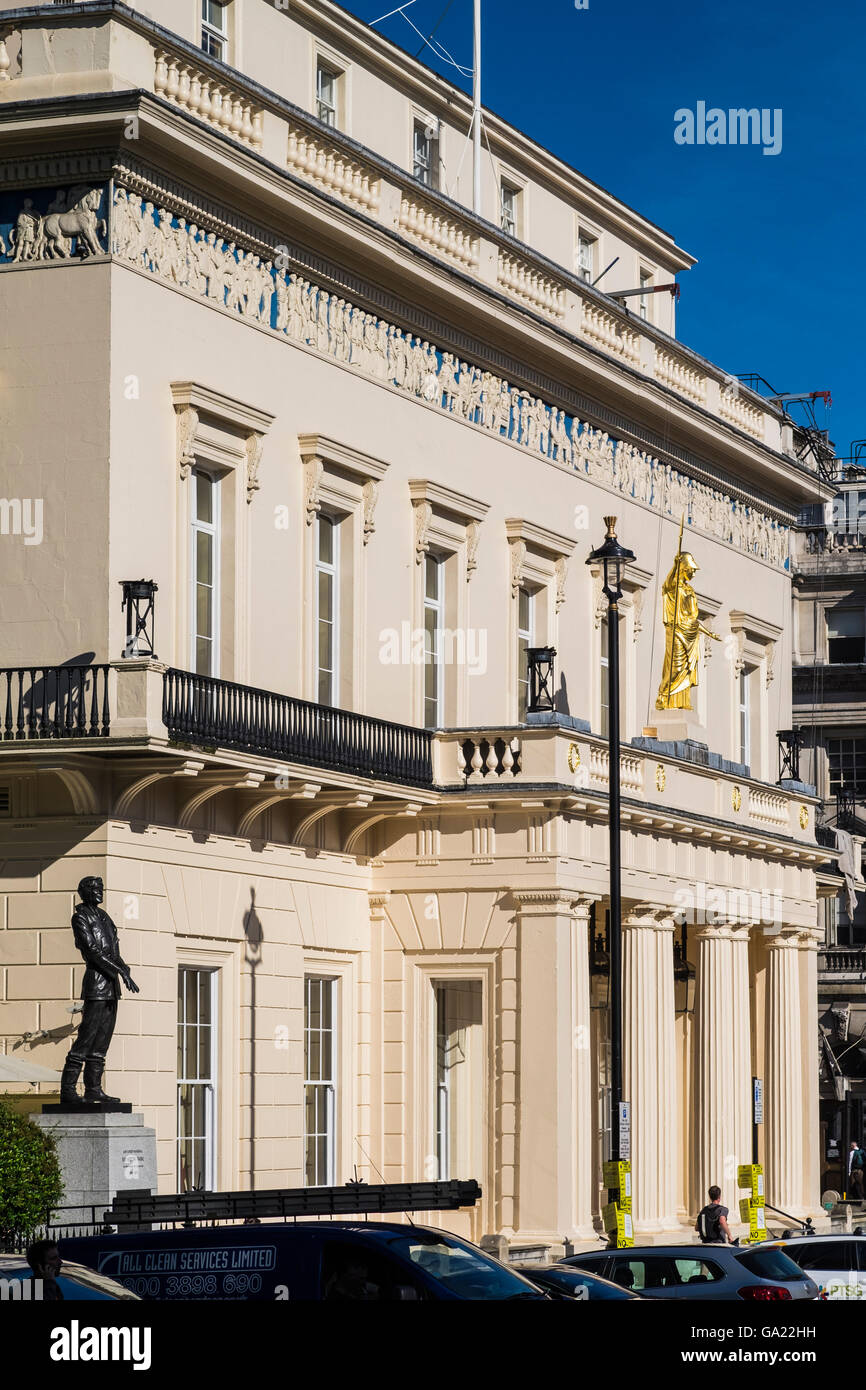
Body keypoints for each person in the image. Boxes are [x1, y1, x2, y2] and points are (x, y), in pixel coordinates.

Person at [59, 876, 139, 1104]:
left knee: (102, 1041)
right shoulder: (80, 917)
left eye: (101, 888)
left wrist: (124, 968)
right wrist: (120, 972)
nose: (99, 892)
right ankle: (68, 1090)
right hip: (96, 985)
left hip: (112, 987)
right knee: (86, 1038)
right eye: (95, 888)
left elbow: (114, 951)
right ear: (84, 892)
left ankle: (93, 1088)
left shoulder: (104, 917)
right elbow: (93, 951)